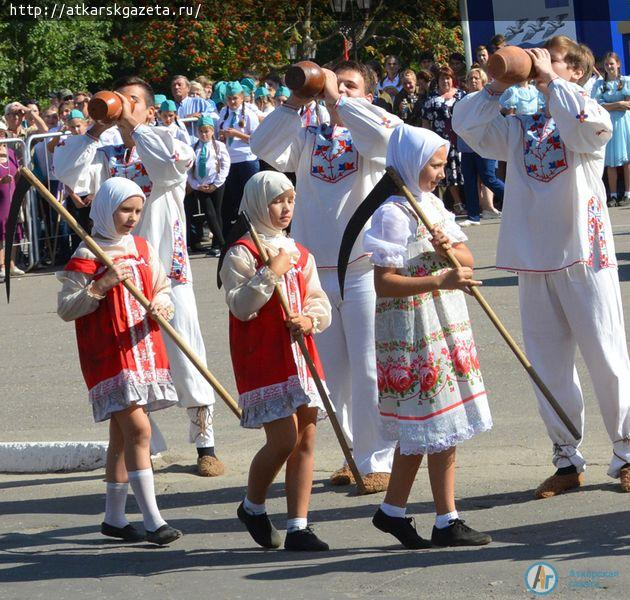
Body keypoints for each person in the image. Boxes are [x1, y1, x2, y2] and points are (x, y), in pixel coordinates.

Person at [453, 36, 630, 496]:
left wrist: (550, 81)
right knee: (549, 366)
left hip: (585, 254)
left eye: (549, 59)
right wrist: (494, 85)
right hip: (533, 260)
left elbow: (587, 131)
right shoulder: (519, 126)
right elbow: (467, 127)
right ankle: (568, 460)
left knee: (607, 358)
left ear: (575, 70)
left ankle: (628, 451)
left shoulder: (587, 109)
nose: (535, 65)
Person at [53, 76, 224, 477]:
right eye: (120, 99)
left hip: (167, 270)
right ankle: (148, 441)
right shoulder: (105, 151)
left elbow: (167, 171)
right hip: (118, 274)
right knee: (129, 359)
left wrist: (137, 126)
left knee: (184, 352)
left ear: (150, 109)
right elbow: (66, 170)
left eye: (133, 101)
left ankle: (205, 443)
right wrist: (96, 126)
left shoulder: (170, 139)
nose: (122, 106)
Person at [251, 60, 401, 493]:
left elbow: (389, 139)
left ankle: (378, 459)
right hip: (315, 273)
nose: (338, 91)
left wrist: (341, 100)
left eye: (351, 86)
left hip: (363, 268)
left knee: (370, 368)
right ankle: (350, 453)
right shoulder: (307, 132)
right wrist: (298, 100)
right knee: (329, 373)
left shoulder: (372, 128)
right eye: (335, 83)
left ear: (367, 95)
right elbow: (263, 146)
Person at [365, 124, 493, 549]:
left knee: (433, 426)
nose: (440, 172)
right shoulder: (392, 214)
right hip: (413, 328)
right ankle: (444, 518)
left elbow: (469, 262)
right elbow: (384, 283)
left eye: (441, 164)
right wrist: (437, 280)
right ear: (412, 163)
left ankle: (395, 511)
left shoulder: (433, 206)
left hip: (446, 322)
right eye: (434, 165)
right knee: (434, 423)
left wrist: (446, 252)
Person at [56, 177, 181, 545]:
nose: (132, 217)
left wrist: (162, 306)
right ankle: (154, 520)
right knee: (139, 432)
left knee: (122, 437)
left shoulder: (142, 247)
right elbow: (67, 308)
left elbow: (162, 287)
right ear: (106, 209)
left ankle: (113, 517)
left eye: (137, 210)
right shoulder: (87, 254)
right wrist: (100, 284)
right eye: (125, 209)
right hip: (109, 355)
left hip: (143, 351)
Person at [221, 171, 332, 552]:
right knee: (283, 439)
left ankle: (299, 525)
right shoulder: (242, 251)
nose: (285, 208)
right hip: (265, 355)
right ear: (257, 203)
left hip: (300, 353)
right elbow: (240, 305)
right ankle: (252, 505)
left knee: (306, 436)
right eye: (277, 200)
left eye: (290, 200)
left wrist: (310, 318)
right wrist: (270, 272)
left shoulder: (300, 252)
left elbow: (317, 299)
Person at [457, 68, 504, 226]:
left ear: (483, 81)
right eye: (470, 78)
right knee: (469, 181)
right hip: (467, 147)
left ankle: (516, 200)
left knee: (489, 178)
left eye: (476, 78)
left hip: (485, 146)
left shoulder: (488, 99)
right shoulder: (463, 99)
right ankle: (473, 216)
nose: (473, 81)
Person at [217, 81, 260, 239]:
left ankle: (255, 231)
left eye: (235, 98)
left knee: (249, 198)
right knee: (233, 200)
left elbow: (255, 139)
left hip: (246, 160)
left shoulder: (249, 114)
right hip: (230, 160)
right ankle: (238, 233)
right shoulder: (224, 113)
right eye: (229, 98)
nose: (232, 102)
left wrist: (237, 134)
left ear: (242, 97)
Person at [421, 66, 466, 215]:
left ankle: (474, 203)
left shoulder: (461, 95)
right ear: (437, 81)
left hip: (462, 139)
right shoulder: (431, 100)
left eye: (448, 78)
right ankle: (457, 203)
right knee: (448, 173)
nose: (445, 81)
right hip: (441, 141)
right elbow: (426, 122)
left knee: (466, 172)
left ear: (452, 79)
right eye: (442, 78)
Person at [185, 115, 230, 257]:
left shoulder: (219, 146)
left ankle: (216, 245)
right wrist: (196, 185)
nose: (204, 134)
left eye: (207, 131)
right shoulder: (193, 148)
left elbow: (225, 165)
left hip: (216, 184)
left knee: (217, 213)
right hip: (201, 186)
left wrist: (216, 183)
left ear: (212, 131)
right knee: (209, 213)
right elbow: (189, 170)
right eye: (201, 131)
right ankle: (223, 245)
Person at [591, 52, 630, 207]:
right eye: (606, 64)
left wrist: (610, 105)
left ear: (618, 64)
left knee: (627, 160)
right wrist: (618, 104)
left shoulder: (626, 81)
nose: (609, 67)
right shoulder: (600, 85)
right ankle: (613, 195)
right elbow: (596, 104)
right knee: (610, 162)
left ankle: (627, 193)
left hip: (624, 122)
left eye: (611, 64)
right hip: (608, 123)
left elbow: (628, 104)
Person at [0, 128, 23, 280]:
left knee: (14, 228)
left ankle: (12, 265)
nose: (1, 135)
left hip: (12, 196)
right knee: (1, 232)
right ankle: (1, 265)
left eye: (2, 132)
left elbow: (17, 175)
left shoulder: (11, 153)